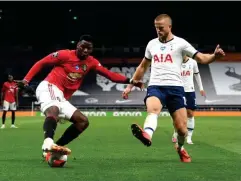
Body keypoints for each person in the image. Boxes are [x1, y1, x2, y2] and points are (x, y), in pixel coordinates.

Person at [18, 35, 144, 164]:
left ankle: (55, 148)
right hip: (49, 86)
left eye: (89, 48)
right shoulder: (64, 55)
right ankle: (48, 142)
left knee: (82, 121)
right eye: (83, 47)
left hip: (61, 96)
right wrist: (26, 80)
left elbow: (109, 75)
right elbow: (41, 63)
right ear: (78, 45)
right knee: (53, 109)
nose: (85, 50)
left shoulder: (91, 62)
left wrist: (131, 81)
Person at [122, 14, 225, 163]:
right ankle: (147, 135)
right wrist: (131, 84)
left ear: (169, 27)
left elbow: (202, 58)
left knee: (182, 130)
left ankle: (180, 148)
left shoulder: (181, 44)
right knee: (153, 109)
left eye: (161, 28)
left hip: (176, 88)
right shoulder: (152, 44)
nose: (158, 31)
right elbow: (143, 66)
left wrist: (215, 56)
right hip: (156, 85)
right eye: (156, 28)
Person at [172, 55, 205, 144]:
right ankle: (175, 133)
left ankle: (189, 137)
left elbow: (197, 75)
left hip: (190, 91)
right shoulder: (175, 61)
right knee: (177, 114)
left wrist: (201, 88)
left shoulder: (193, 62)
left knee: (190, 113)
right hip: (178, 90)